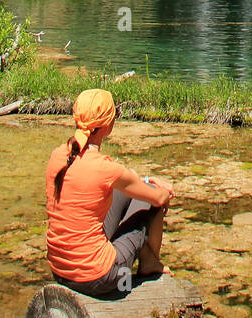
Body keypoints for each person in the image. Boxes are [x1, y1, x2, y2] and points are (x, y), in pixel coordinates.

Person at [45, 88, 174, 298]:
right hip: (101, 279)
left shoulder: (58, 156)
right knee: (151, 198)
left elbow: (124, 182)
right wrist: (162, 190)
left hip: (60, 272)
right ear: (108, 126)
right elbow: (158, 197)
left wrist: (145, 180)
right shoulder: (104, 169)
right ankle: (149, 264)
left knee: (135, 190)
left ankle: (145, 261)